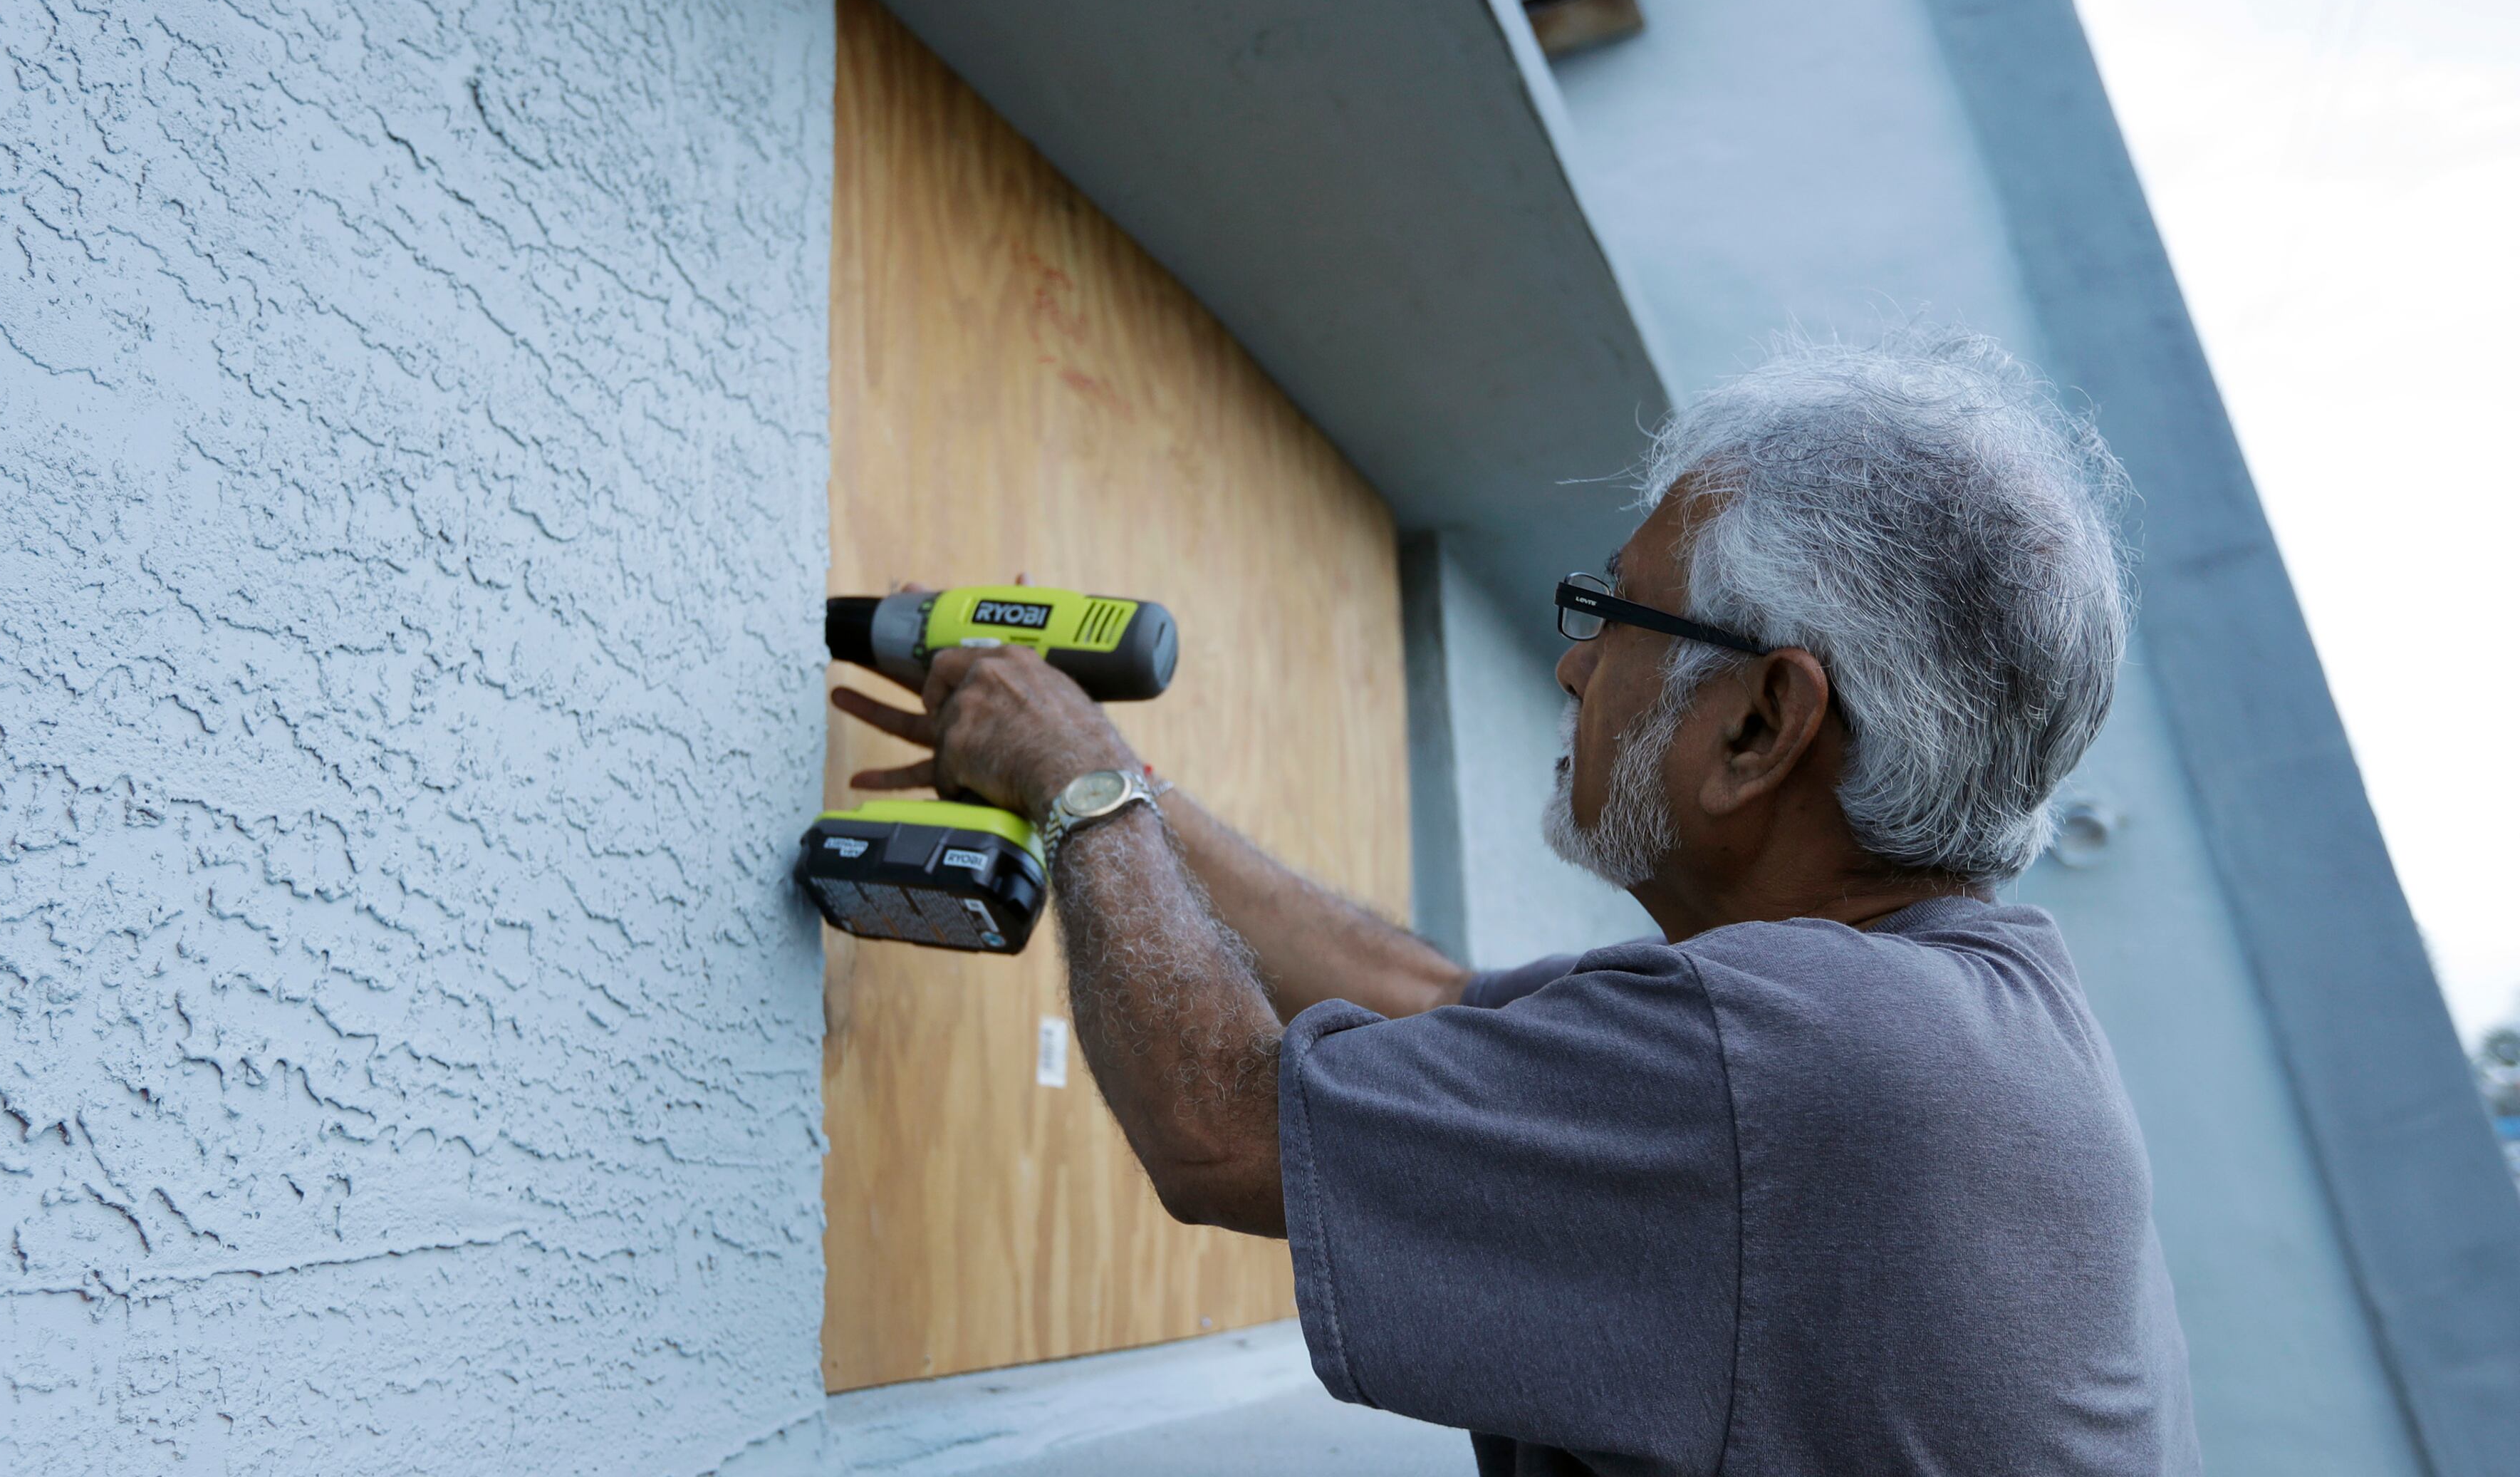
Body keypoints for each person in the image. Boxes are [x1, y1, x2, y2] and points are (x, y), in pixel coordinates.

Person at [832, 329, 2200, 1476]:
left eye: (1621, 613)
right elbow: (1432, 1004)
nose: (1571, 666)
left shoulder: (1805, 1062)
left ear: (1763, 724)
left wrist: (1080, 791)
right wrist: (1108, 771)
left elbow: (1219, 1127)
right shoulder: (1959, 1012)